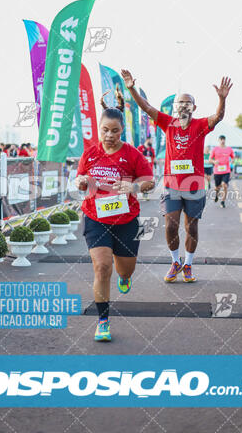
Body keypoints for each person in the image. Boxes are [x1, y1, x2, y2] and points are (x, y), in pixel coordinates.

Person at [121, 68, 232, 284]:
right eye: (180, 102)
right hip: (172, 185)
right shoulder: (167, 123)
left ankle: (188, 264)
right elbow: (145, 107)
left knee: (192, 227)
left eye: (187, 102)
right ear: (175, 107)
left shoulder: (200, 125)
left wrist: (221, 99)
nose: (183, 105)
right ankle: (175, 262)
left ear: (193, 107)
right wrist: (131, 88)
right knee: (171, 226)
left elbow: (218, 116)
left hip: (195, 185)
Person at [75, 104, 155, 342]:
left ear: (122, 131)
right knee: (102, 267)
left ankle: (125, 277)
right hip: (95, 217)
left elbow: (150, 180)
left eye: (115, 131)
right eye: (105, 130)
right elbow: (81, 178)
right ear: (99, 129)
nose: (109, 135)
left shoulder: (132, 154)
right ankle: (103, 321)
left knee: (125, 269)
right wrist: (81, 182)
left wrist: (135, 186)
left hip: (126, 220)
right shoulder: (89, 153)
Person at [210, 136, 235, 208]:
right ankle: (217, 194)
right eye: (221, 140)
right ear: (218, 140)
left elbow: (233, 157)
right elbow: (210, 159)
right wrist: (214, 161)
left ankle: (223, 201)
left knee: (225, 185)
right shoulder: (215, 149)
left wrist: (232, 161)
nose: (222, 141)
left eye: (223, 140)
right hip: (217, 172)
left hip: (226, 171)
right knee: (217, 187)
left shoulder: (229, 149)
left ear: (225, 140)